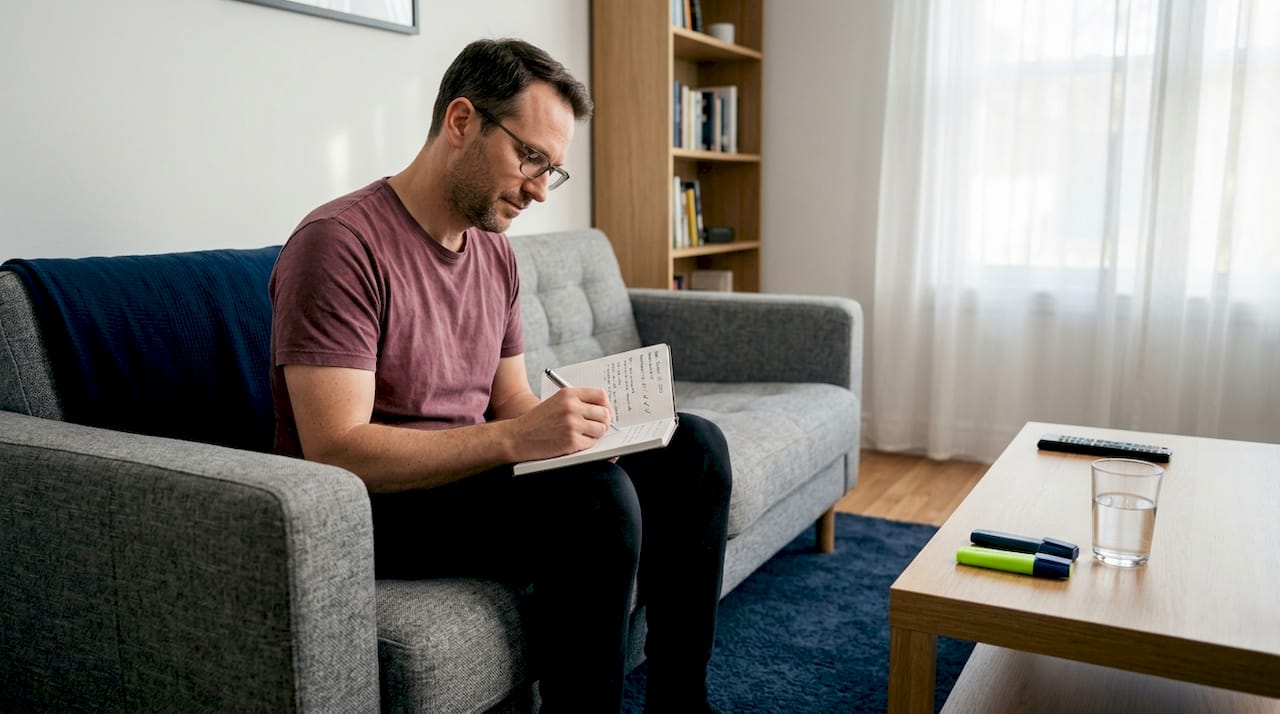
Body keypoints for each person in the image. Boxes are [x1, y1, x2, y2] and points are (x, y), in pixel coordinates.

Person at [268, 38, 731, 713]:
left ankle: (680, 704)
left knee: (694, 448)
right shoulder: (340, 245)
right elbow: (337, 449)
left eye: (553, 169)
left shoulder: (493, 253)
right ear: (462, 123)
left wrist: (582, 424)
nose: (542, 189)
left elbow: (509, 398)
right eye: (531, 158)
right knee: (595, 499)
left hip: (466, 479)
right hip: (378, 505)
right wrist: (521, 441)